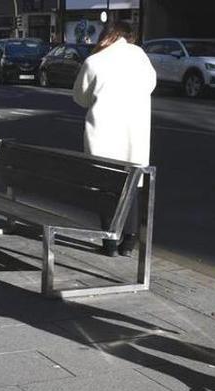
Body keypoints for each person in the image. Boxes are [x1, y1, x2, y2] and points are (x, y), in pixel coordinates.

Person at [72, 21, 156, 257]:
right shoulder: (140, 57)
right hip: (134, 134)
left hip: (104, 134)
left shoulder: (94, 61)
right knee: (132, 183)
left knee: (106, 186)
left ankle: (109, 242)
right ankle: (128, 242)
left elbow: (80, 97)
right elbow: (151, 85)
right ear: (128, 37)